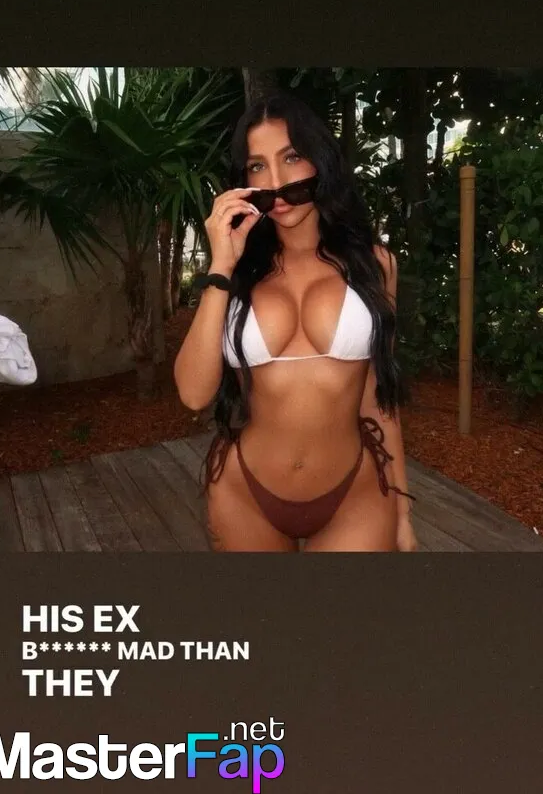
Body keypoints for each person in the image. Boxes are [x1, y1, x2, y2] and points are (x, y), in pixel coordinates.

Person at [174, 91, 417, 552]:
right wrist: (221, 266)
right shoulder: (237, 273)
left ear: (320, 161)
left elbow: (378, 397)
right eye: (257, 165)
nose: (276, 181)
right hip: (246, 496)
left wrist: (402, 509)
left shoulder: (374, 265)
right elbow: (193, 393)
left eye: (291, 157)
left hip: (356, 494)